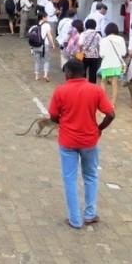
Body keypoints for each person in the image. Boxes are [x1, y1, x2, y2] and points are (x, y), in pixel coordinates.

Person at [48, 59, 115, 228]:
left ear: (70, 73)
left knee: (70, 179)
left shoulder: (60, 91)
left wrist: (62, 121)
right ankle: (90, 214)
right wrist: (100, 128)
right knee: (90, 176)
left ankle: (75, 219)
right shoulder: (95, 90)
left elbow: (53, 116)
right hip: (89, 140)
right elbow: (111, 114)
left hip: (68, 141)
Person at [98, 22, 127, 106]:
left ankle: (103, 102)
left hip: (106, 64)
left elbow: (101, 54)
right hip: (117, 64)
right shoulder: (121, 39)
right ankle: (112, 103)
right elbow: (123, 53)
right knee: (115, 84)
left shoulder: (103, 40)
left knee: (103, 82)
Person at [30, 9, 57, 82]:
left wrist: (31, 47)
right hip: (44, 45)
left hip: (35, 45)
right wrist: (53, 44)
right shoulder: (46, 25)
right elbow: (49, 35)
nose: (47, 17)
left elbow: (31, 36)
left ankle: (36, 76)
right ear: (43, 17)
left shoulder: (35, 25)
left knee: (37, 61)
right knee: (46, 60)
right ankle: (45, 74)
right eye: (46, 16)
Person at [79, 18, 102, 84]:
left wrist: (80, 51)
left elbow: (80, 44)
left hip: (84, 55)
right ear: (95, 26)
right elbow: (100, 44)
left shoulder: (83, 34)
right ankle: (92, 86)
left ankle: (82, 84)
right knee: (93, 72)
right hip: (95, 56)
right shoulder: (97, 35)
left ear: (86, 25)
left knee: (83, 71)